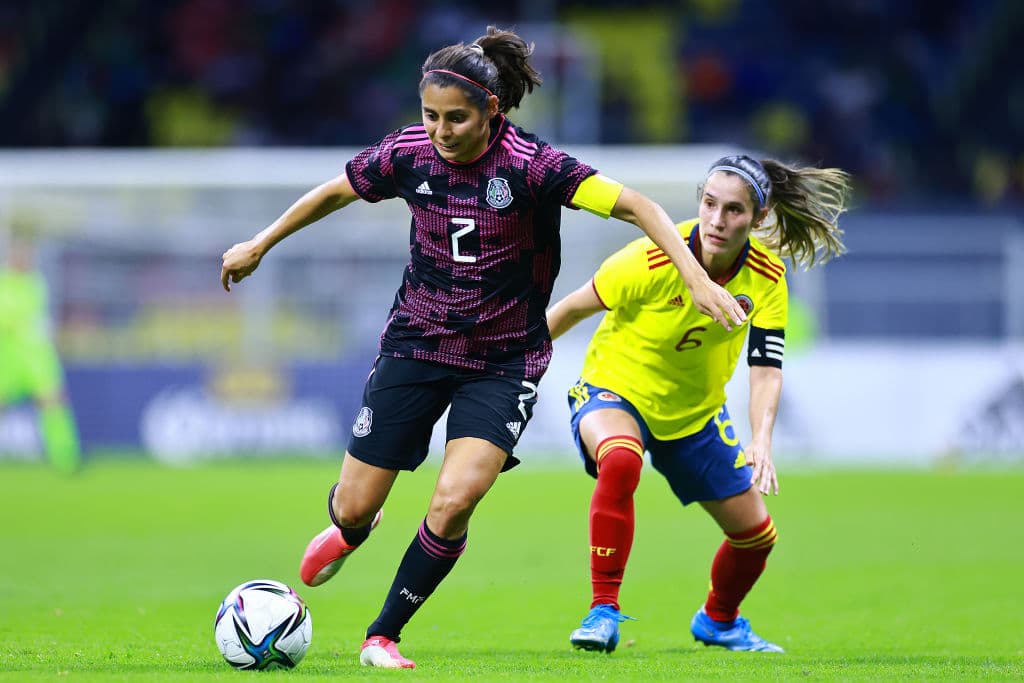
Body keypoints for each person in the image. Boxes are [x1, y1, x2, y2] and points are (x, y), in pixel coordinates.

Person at [220, 26, 745, 670]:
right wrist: (260, 243)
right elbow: (336, 190)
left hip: (503, 361)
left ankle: (382, 635)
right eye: (431, 115)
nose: (441, 130)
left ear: (492, 111)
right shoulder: (408, 153)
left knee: (456, 496)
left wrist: (694, 277)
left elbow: (636, 205)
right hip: (418, 341)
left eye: (457, 118)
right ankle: (352, 530)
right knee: (357, 505)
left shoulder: (534, 167)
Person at [547, 154, 850, 654]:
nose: (717, 220)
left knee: (756, 537)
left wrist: (762, 440)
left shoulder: (766, 278)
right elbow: (568, 310)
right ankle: (603, 610)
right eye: (709, 204)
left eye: (733, 210)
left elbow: (766, 368)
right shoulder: (644, 261)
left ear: (758, 218)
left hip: (695, 414)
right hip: (614, 389)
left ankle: (719, 621)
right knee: (620, 460)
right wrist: (509, 369)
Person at [0, 230, 81, 474]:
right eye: (20, 254)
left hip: (37, 357)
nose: (24, 259)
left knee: (54, 402)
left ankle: (65, 457)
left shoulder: (36, 282)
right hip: (9, 356)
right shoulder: (5, 283)